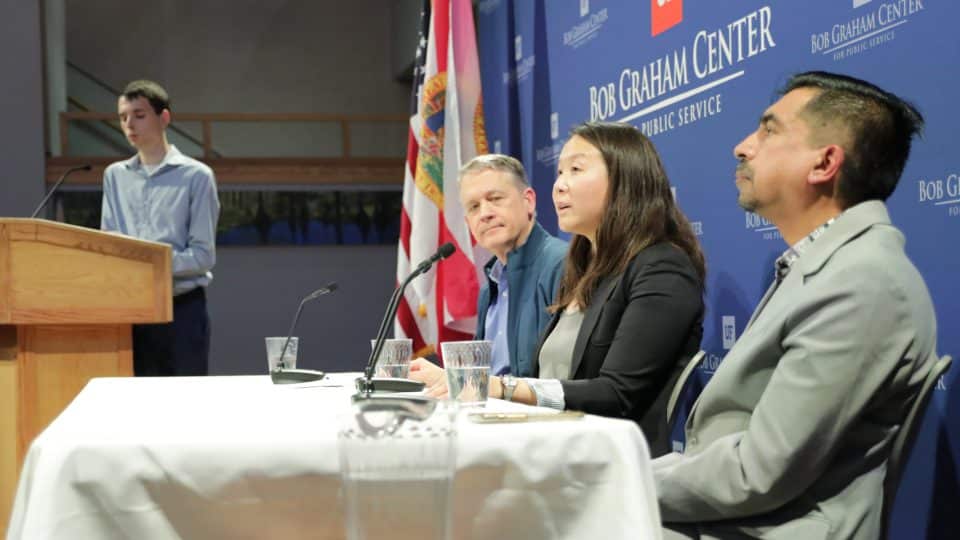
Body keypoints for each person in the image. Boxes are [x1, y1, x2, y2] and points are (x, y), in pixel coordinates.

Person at [653, 72, 938, 540]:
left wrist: (624, 480)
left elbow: (759, 473)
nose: (743, 147)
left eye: (769, 131)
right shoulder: (828, 267)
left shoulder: (861, 282)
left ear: (825, 163)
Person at [411, 122, 706, 457]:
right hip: (552, 446)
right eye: (560, 171)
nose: (559, 185)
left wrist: (492, 386)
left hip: (610, 464)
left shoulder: (661, 267)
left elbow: (617, 394)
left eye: (576, 170)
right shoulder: (587, 270)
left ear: (625, 177)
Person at [101, 80, 220, 376]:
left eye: (139, 115)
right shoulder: (115, 176)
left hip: (181, 309)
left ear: (163, 118)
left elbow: (203, 255)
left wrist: (148, 263)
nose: (130, 124)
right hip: (130, 310)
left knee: (184, 408)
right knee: (137, 410)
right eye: (123, 117)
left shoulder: (197, 176)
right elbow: (108, 243)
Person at [459, 154, 567, 377]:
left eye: (495, 199)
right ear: (467, 222)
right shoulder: (489, 287)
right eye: (473, 207)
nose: (485, 214)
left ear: (529, 201)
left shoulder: (562, 264)